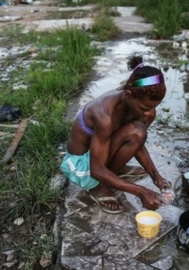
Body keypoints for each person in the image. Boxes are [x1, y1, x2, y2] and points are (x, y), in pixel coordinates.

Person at [61, 56, 171, 214]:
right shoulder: (105, 115)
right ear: (128, 94)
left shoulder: (141, 108)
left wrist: (156, 177)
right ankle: (99, 187)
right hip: (80, 166)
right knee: (136, 130)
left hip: (98, 153)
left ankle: (112, 172)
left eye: (153, 107)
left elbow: (137, 142)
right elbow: (96, 169)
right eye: (143, 107)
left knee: (137, 131)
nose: (149, 112)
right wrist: (141, 191)